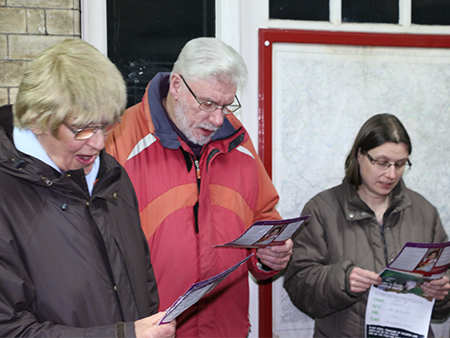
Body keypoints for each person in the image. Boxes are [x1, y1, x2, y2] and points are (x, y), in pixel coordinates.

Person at [105, 37, 293, 337]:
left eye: (226, 105)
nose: (218, 119)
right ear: (177, 86)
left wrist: (270, 256)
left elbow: (265, 217)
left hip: (227, 329)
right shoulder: (118, 140)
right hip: (152, 331)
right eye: (207, 104)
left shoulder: (239, 142)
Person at [0, 39, 175, 338]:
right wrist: (124, 335)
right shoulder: (7, 196)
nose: (98, 143)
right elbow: (9, 329)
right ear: (38, 120)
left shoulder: (112, 175)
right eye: (82, 128)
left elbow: (142, 280)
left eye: (107, 125)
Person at [284, 114, 450, 337]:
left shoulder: (424, 211)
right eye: (382, 163)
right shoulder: (322, 209)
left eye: (400, 164)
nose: (391, 174)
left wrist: (441, 293)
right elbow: (299, 287)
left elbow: (443, 291)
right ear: (360, 155)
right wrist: (341, 281)